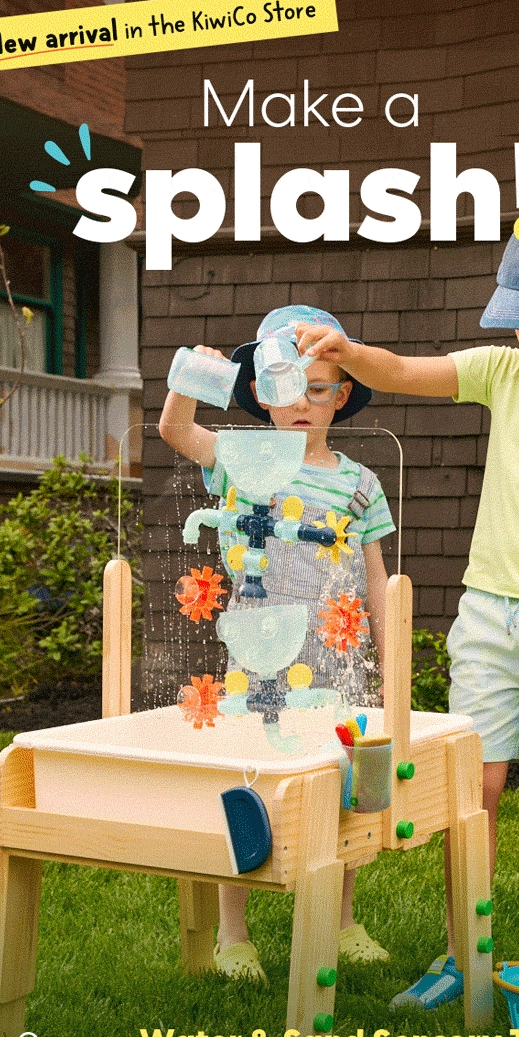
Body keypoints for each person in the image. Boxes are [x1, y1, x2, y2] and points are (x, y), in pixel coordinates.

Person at [296, 212, 519, 1009]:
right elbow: (401, 370)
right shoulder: (504, 372)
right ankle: (465, 948)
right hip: (489, 620)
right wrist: (350, 354)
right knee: (474, 793)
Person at [159, 305, 396, 982]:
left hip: (339, 662)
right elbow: (175, 429)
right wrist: (194, 376)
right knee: (250, 783)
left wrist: (388, 658)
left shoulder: (360, 483)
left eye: (319, 387)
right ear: (261, 391)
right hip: (258, 661)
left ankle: (343, 918)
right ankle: (233, 933)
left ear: (343, 394)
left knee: (345, 787)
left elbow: (377, 579)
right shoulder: (239, 459)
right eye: (287, 387)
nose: (302, 402)